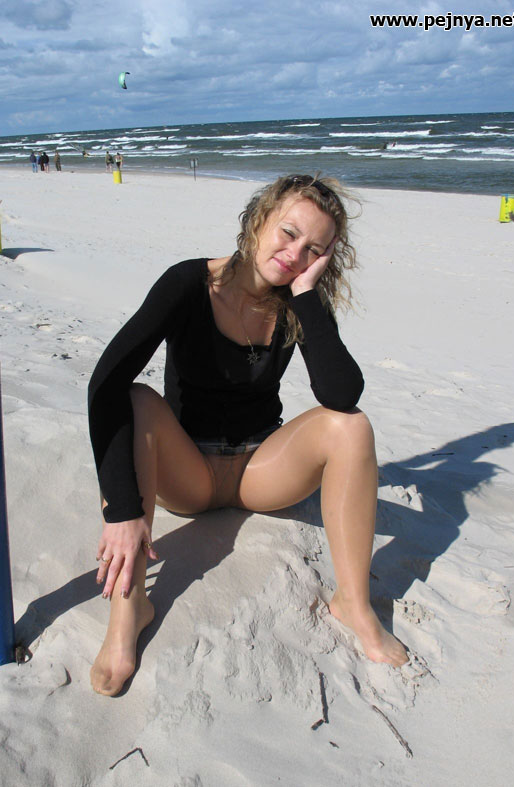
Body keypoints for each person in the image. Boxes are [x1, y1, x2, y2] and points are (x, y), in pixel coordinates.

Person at [87, 173, 409, 696]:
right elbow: (105, 383)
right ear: (259, 219)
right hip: (187, 472)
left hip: (261, 472)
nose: (294, 254)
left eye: (314, 250)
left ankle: (353, 602)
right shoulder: (189, 284)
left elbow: (342, 392)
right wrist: (121, 510)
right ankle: (129, 612)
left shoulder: (298, 299)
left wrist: (306, 295)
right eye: (288, 233)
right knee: (137, 398)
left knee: (351, 426)